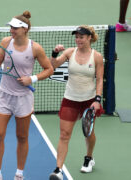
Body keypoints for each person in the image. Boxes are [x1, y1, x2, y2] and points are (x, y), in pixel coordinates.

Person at [0, 11, 54, 180]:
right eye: (11, 27)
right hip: (4, 95)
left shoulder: (35, 48)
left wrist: (32, 78)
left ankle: (19, 174)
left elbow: (49, 69)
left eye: (14, 28)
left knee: (22, 137)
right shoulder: (6, 42)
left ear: (24, 29)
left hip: (23, 98)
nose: (11, 31)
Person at [48, 25, 105, 180]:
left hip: (89, 101)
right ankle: (58, 169)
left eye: (81, 37)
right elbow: (53, 66)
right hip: (70, 99)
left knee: (88, 133)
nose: (78, 39)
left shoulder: (97, 57)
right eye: (77, 37)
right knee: (64, 135)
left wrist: (97, 100)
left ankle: (89, 157)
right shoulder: (69, 53)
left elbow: (99, 79)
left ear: (89, 38)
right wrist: (54, 53)